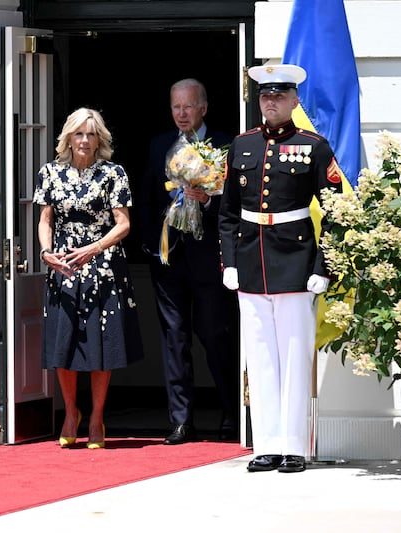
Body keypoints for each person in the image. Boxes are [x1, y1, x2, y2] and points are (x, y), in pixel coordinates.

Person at [218, 64, 344, 473]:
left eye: (279, 96)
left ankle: (294, 446)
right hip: (251, 261)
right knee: (259, 356)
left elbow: (336, 211)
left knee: (293, 352)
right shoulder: (242, 145)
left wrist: (324, 265)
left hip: (295, 259)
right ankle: (266, 445)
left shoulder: (313, 145)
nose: (270, 102)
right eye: (265, 96)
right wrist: (230, 261)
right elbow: (228, 214)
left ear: (294, 101)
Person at [33, 107, 144, 449]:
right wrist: (45, 251)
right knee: (63, 342)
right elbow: (45, 219)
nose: (84, 141)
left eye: (91, 135)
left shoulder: (114, 173)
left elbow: (123, 224)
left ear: (100, 141)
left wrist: (94, 248)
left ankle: (96, 417)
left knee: (100, 343)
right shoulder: (50, 173)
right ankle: (71, 413)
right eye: (79, 134)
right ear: (68, 137)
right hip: (64, 265)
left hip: (103, 265)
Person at [139, 78, 239, 444]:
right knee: (174, 338)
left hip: (209, 256)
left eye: (188, 106)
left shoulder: (226, 145)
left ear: (204, 107)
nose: (182, 114)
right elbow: (147, 200)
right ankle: (181, 420)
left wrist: (207, 201)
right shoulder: (158, 146)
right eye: (175, 107)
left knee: (215, 334)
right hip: (169, 257)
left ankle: (232, 412)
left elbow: (235, 203)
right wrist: (153, 244)